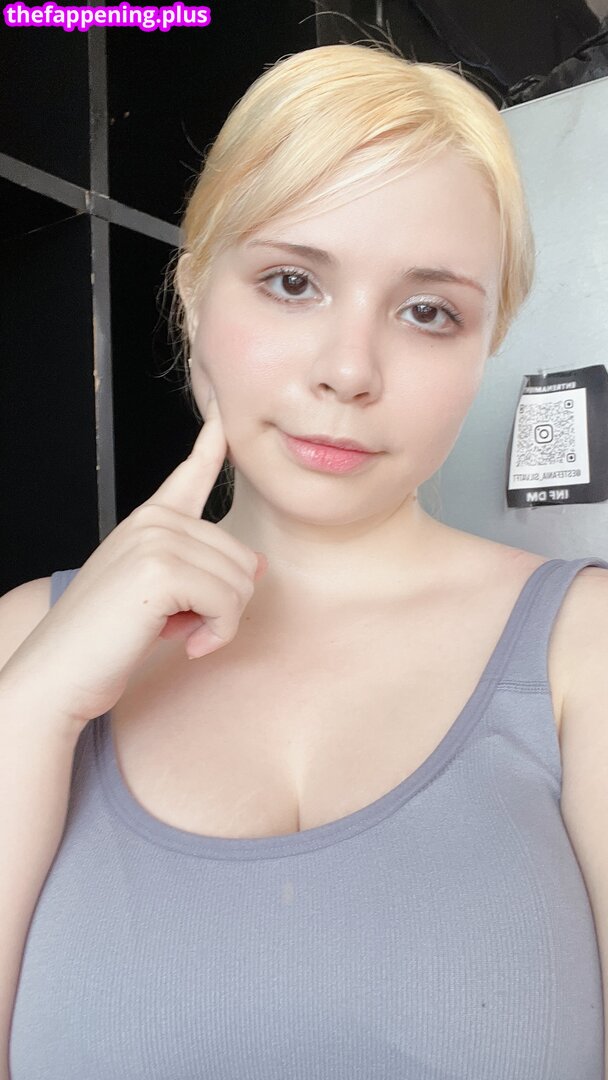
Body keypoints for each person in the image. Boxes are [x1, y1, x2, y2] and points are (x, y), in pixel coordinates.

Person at [3, 41, 608, 1080]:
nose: (349, 370)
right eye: (292, 282)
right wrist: (32, 708)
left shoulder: (582, 651)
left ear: (484, 346)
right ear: (193, 295)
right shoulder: (27, 641)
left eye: (428, 311)